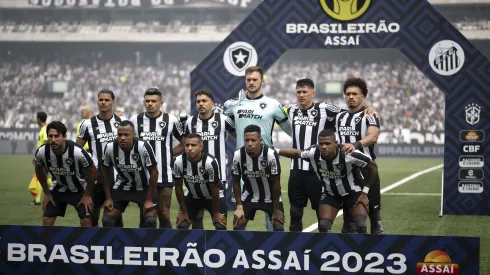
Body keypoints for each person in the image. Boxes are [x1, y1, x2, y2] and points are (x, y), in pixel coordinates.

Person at [285, 78, 379, 232]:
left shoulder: (325, 108)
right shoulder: (290, 110)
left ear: (313, 93)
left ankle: (323, 248)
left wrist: (369, 108)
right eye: (298, 92)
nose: (301, 95)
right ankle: (297, 246)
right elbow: (272, 113)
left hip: (318, 169)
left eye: (305, 92)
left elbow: (350, 112)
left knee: (321, 215)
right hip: (296, 169)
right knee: (295, 212)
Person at [224, 66, 292, 231]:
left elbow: (292, 131)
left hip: (267, 166)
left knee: (275, 223)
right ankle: (240, 255)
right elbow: (227, 127)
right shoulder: (233, 105)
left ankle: (274, 252)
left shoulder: (273, 105)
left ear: (262, 81)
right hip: (243, 167)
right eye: (248, 80)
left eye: (255, 79)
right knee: (239, 221)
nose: (251, 82)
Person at [277, 129, 378, 233]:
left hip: (353, 192)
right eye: (321, 144)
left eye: (327, 143)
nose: (324, 147)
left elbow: (373, 167)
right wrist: (276, 151)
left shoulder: (348, 153)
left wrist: (365, 192)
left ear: (335, 143)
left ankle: (360, 249)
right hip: (331, 193)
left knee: (361, 226)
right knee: (323, 226)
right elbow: (297, 153)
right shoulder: (313, 152)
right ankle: (328, 248)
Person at [130, 88, 185, 229]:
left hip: (164, 175)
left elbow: (185, 143)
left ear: (161, 103)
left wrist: (168, 153)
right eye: (147, 101)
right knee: (146, 214)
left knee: (164, 213)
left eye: (154, 101)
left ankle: (168, 247)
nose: (150, 104)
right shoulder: (135, 120)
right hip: (143, 176)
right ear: (143, 103)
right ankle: (144, 247)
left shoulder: (171, 120)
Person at [336, 77, 383, 234]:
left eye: (355, 94)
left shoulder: (369, 115)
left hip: (368, 171)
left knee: (375, 219)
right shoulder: (339, 116)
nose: (351, 97)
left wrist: (355, 145)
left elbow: (373, 136)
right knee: (350, 221)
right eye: (348, 94)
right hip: (347, 173)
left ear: (363, 96)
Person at [183, 89, 236, 229]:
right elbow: (185, 144)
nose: (201, 104)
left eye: (204, 101)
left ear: (212, 104)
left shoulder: (223, 120)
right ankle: (197, 248)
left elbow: (238, 135)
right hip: (195, 178)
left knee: (220, 223)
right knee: (196, 220)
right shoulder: (190, 122)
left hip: (217, 178)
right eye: (198, 101)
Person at [34, 121, 97, 227]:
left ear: (64, 137)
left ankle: (84, 243)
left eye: (56, 136)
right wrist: (47, 193)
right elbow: (38, 169)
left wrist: (87, 195)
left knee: (86, 221)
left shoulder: (77, 151)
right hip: (58, 187)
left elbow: (93, 171)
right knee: (46, 220)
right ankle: (49, 243)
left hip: (80, 189)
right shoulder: (42, 152)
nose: (53, 140)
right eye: (50, 136)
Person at [76, 89, 124, 227]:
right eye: (101, 100)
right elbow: (77, 150)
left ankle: (117, 247)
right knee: (91, 218)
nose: (103, 102)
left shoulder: (122, 123)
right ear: (97, 102)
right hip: (95, 178)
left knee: (111, 219)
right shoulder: (87, 124)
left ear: (113, 103)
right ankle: (94, 247)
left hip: (116, 178)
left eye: (107, 100)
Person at [100, 120, 159, 228]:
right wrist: (108, 197)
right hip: (122, 185)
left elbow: (154, 173)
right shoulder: (109, 148)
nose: (122, 138)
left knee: (150, 221)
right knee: (107, 219)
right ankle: (117, 241)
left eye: (126, 135)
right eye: (120, 135)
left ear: (134, 135)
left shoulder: (143, 146)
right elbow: (104, 172)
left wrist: (149, 200)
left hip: (143, 187)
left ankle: (144, 243)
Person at [232, 125, 284, 231]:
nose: (250, 143)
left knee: (278, 227)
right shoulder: (238, 155)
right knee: (238, 225)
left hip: (271, 197)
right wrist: (239, 206)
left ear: (260, 140)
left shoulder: (270, 154)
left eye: (253, 140)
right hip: (250, 194)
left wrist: (276, 209)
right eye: (247, 140)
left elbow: (276, 182)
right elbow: (236, 181)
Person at [173, 133, 227, 230]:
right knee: (182, 225)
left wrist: (215, 213)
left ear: (201, 147)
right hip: (192, 195)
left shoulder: (210, 162)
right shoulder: (178, 161)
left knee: (220, 225)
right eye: (187, 145)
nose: (189, 148)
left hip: (213, 196)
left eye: (193, 145)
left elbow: (214, 189)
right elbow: (178, 187)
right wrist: (184, 211)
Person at [28, 111, 50, 205]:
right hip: (41, 156)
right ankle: (61, 186)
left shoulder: (45, 129)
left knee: (41, 177)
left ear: (38, 119)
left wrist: (41, 154)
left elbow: (46, 141)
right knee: (43, 177)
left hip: (43, 156)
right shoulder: (44, 128)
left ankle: (37, 200)